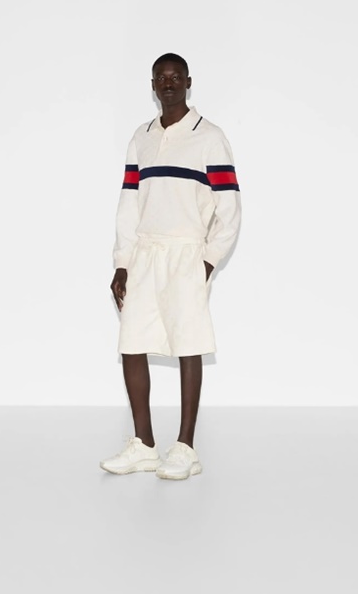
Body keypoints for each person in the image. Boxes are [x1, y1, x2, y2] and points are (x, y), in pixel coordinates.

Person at [100, 53, 241, 480]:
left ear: (188, 82)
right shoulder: (141, 138)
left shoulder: (209, 137)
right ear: (152, 85)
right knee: (132, 341)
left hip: (186, 252)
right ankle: (143, 444)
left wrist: (208, 261)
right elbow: (129, 204)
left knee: (187, 341)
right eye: (161, 78)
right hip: (145, 251)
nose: (168, 84)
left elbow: (229, 207)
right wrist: (122, 262)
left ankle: (185, 448)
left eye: (176, 77)